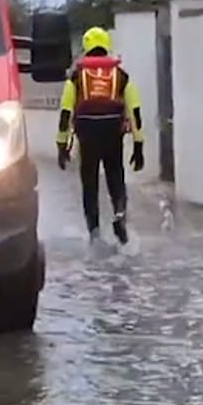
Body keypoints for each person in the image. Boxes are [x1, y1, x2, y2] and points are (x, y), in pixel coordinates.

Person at [54, 26, 146, 244]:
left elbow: (66, 112)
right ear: (106, 45)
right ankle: (120, 215)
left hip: (87, 135)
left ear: (86, 46)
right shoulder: (121, 75)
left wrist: (61, 145)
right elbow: (135, 111)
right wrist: (138, 144)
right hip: (113, 133)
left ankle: (94, 233)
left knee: (90, 183)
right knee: (116, 177)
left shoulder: (76, 77)